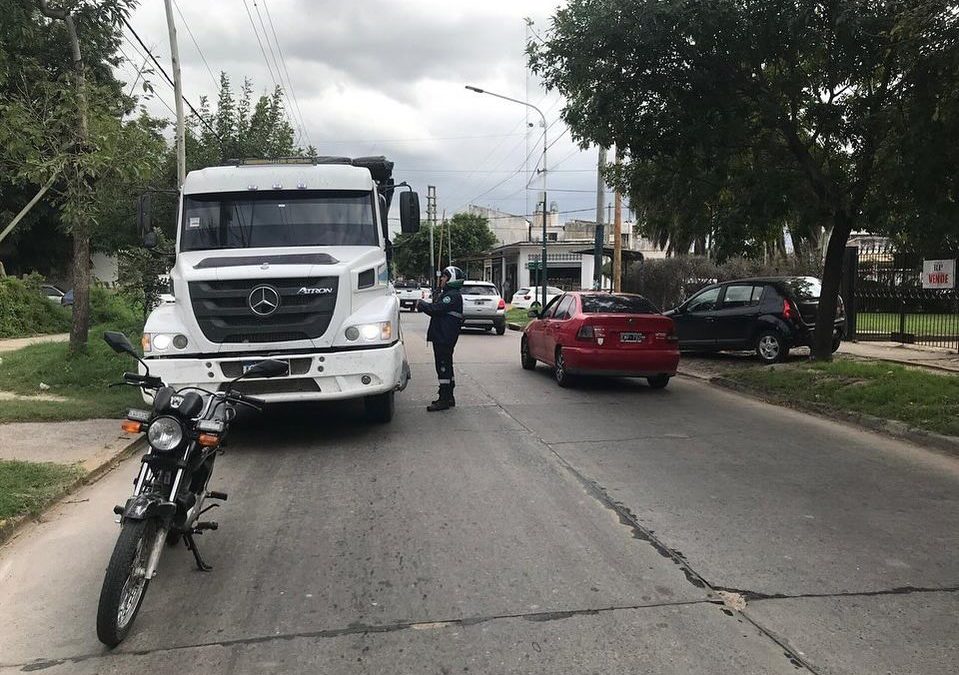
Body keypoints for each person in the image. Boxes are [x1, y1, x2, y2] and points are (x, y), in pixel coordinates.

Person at [418, 266, 465, 411]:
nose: (442, 279)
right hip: (443, 335)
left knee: (443, 367)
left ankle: (444, 399)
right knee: (446, 366)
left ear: (451, 279)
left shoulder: (452, 295)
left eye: (444, 277)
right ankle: (449, 396)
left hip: (444, 337)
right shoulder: (448, 294)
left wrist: (422, 304)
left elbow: (436, 309)